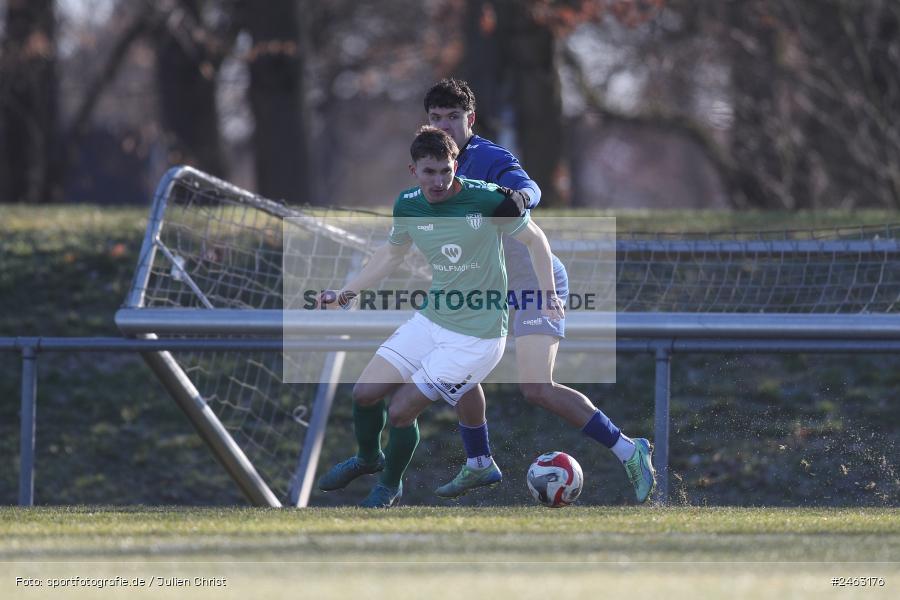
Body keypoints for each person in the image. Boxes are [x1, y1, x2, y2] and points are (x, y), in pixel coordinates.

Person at [423, 78, 657, 503]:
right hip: (486, 291)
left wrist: (520, 198)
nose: (445, 126)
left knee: (536, 388)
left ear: (469, 119)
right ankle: (479, 463)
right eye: (436, 118)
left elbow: (529, 186)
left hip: (533, 282)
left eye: (453, 118)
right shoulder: (433, 166)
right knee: (452, 369)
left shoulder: (487, 156)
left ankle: (629, 450)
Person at [316, 125, 563, 507]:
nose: (438, 181)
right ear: (413, 170)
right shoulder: (408, 204)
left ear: (456, 166)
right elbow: (390, 254)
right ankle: (369, 459)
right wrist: (346, 293)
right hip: (432, 320)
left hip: (477, 337)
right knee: (364, 394)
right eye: (429, 172)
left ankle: (390, 485)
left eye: (445, 171)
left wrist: (548, 294)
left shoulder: (487, 200)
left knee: (399, 411)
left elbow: (537, 240)